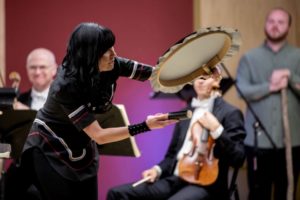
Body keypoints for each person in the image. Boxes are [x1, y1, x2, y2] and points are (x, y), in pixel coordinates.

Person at [4, 22, 180, 200]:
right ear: (90, 55)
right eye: (107, 50)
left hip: (82, 146)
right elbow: (100, 135)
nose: (114, 54)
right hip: (48, 146)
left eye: (113, 47)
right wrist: (145, 126)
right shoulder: (65, 86)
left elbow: (157, 74)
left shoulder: (113, 64)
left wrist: (189, 74)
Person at [107, 68, 246, 200]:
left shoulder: (230, 113)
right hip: (175, 179)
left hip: (205, 184)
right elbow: (172, 155)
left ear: (217, 80)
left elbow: (238, 157)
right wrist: (157, 170)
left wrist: (216, 129)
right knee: (117, 194)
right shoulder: (185, 113)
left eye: (205, 77)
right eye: (197, 78)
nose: (200, 81)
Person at [236, 7, 300, 200]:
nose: (275, 26)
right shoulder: (249, 58)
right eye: (271, 21)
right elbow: (242, 90)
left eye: (281, 22)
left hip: (292, 142)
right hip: (257, 143)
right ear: (265, 25)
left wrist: (291, 77)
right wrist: (269, 86)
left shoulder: (298, 57)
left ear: (288, 27)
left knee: (285, 192)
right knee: (258, 193)